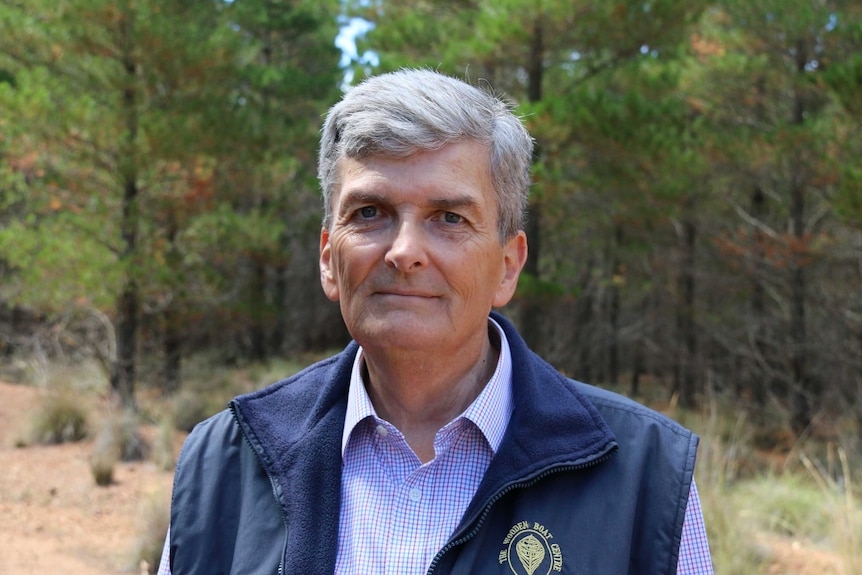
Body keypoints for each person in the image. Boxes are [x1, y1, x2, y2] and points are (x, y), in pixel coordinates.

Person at [159, 69, 713, 575]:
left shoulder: (646, 479)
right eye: (370, 213)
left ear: (507, 265)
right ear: (329, 258)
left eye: (449, 218)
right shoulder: (223, 466)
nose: (404, 251)